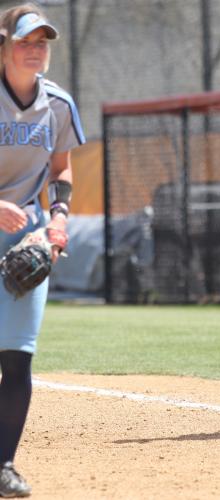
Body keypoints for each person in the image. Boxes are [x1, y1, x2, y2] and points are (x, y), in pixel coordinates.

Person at [0, 3, 85, 496]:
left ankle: (3, 464)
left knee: (16, 358)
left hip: (26, 235)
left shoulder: (57, 104)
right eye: (25, 41)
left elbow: (61, 170)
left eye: (42, 42)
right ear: (6, 44)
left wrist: (56, 220)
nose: (35, 50)